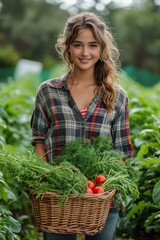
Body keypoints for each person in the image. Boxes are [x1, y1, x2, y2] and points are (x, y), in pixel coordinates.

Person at [30, 11, 134, 240]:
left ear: (102, 49)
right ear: (67, 47)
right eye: (78, 45)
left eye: (93, 45)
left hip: (102, 195)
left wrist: (106, 187)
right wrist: (49, 176)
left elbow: (123, 152)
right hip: (59, 195)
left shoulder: (117, 97)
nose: (85, 53)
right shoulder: (48, 91)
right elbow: (38, 139)